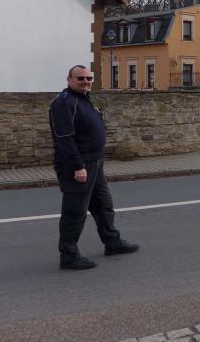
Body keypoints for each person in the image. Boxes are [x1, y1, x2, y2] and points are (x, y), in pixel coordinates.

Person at [49, 65, 139, 270]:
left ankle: (112, 242)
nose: (86, 81)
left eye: (89, 78)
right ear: (69, 79)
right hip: (78, 165)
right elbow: (64, 139)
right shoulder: (64, 103)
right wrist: (78, 166)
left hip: (95, 162)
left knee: (103, 205)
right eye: (80, 78)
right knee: (75, 211)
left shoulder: (83, 99)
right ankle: (69, 256)